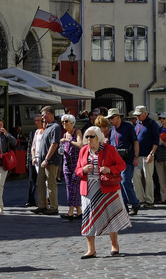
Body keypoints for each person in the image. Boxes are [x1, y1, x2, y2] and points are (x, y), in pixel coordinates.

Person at [77, 125, 131, 259]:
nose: (88, 139)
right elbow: (77, 170)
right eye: (86, 136)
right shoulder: (83, 150)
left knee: (111, 217)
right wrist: (83, 170)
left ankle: (114, 245)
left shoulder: (109, 149)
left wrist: (109, 169)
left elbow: (122, 165)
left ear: (98, 137)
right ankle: (91, 250)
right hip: (89, 189)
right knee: (88, 219)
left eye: (91, 136)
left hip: (108, 188)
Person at [106, 108, 139, 215]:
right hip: (116, 161)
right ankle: (124, 207)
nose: (110, 120)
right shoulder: (112, 130)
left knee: (125, 182)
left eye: (112, 118)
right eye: (109, 118)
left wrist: (136, 157)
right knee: (119, 183)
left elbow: (135, 142)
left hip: (127, 159)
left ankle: (135, 203)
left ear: (118, 117)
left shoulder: (128, 126)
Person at [34, 106, 64, 215]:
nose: (42, 117)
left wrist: (46, 159)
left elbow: (54, 144)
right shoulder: (47, 127)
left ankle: (53, 207)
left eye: (43, 115)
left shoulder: (55, 127)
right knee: (40, 183)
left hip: (50, 161)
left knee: (51, 184)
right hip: (42, 160)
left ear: (49, 114)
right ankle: (42, 206)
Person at [131, 106, 158, 208]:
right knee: (136, 177)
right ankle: (140, 199)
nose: (137, 117)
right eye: (136, 115)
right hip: (137, 155)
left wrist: (152, 154)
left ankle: (149, 200)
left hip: (148, 155)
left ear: (145, 114)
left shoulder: (152, 123)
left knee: (148, 178)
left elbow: (156, 141)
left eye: (139, 115)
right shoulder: (137, 124)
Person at [59, 114, 82, 220]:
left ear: (72, 122)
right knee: (69, 188)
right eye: (62, 121)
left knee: (73, 187)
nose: (64, 123)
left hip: (76, 164)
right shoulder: (65, 135)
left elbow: (80, 145)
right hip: (67, 163)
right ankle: (79, 211)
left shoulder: (77, 132)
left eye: (66, 121)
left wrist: (68, 141)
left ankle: (70, 211)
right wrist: (61, 150)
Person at [24, 115, 44, 207]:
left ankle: (46, 200)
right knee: (32, 180)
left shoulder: (45, 132)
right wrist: (28, 160)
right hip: (33, 158)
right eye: (35, 120)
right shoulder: (32, 133)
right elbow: (30, 147)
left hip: (42, 159)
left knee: (43, 180)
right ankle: (31, 199)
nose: (37, 122)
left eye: (39, 120)